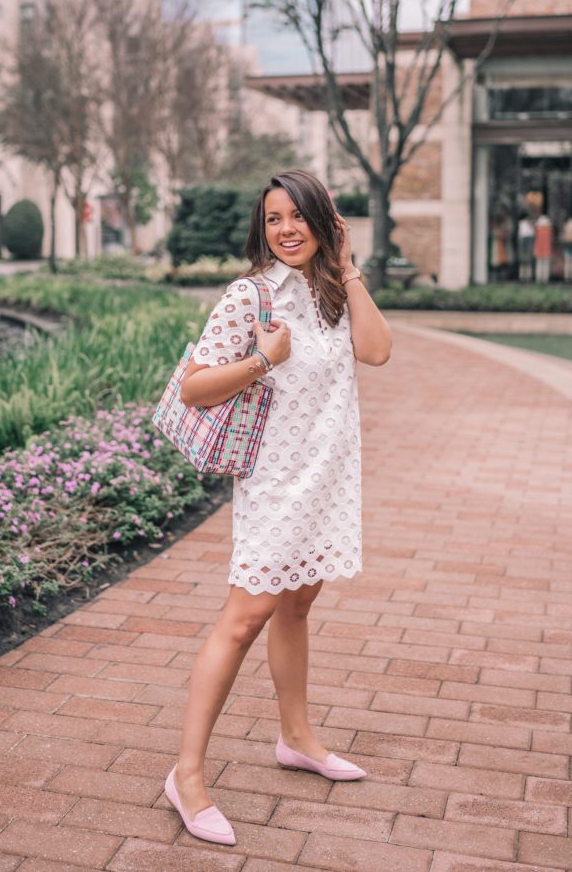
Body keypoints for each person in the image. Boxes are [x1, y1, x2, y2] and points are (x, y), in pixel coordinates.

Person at [164, 169, 393, 846]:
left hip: (329, 481)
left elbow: (377, 351)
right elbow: (194, 388)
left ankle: (296, 738)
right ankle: (186, 776)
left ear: (324, 223)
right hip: (276, 486)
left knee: (298, 605)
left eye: (298, 216)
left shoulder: (331, 293)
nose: (286, 229)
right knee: (243, 620)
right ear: (261, 228)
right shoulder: (251, 296)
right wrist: (263, 361)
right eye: (273, 218)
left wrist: (348, 268)